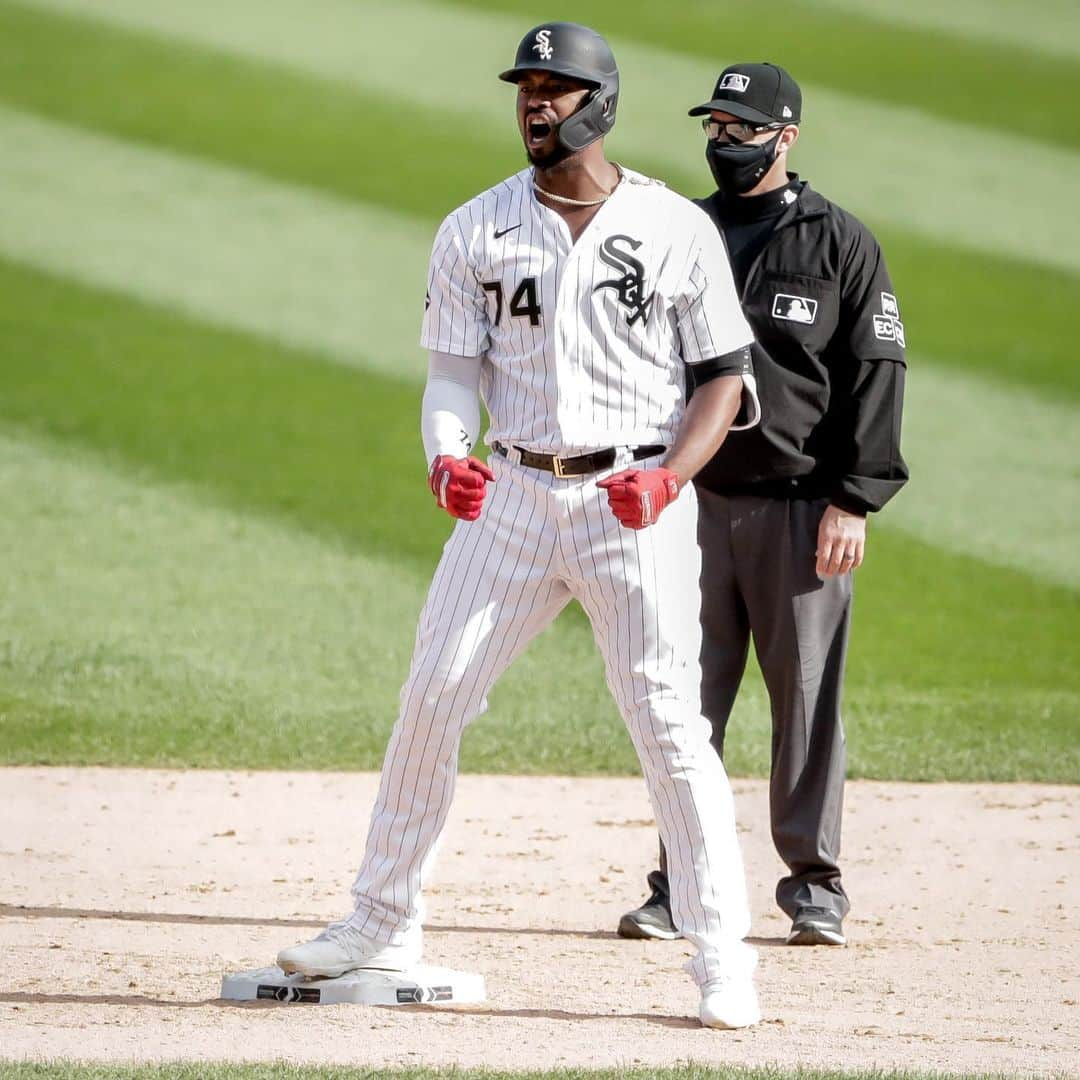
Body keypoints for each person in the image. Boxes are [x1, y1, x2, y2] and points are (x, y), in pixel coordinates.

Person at [276, 24, 766, 1029]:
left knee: (670, 725)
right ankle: (380, 919)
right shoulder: (473, 229)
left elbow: (724, 379)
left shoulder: (676, 228)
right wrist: (446, 454)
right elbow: (454, 371)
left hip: (632, 502)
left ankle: (723, 957)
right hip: (510, 498)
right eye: (527, 89)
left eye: (558, 88)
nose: (537, 105)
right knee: (434, 692)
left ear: (602, 102)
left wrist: (672, 479)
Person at [619, 62, 908, 948]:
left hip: (799, 509)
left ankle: (814, 887)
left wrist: (853, 500)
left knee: (806, 702)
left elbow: (876, 372)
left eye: (742, 129)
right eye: (715, 126)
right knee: (683, 701)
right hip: (690, 505)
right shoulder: (682, 229)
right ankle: (679, 884)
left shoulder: (838, 242)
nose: (724, 143)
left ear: (785, 138)